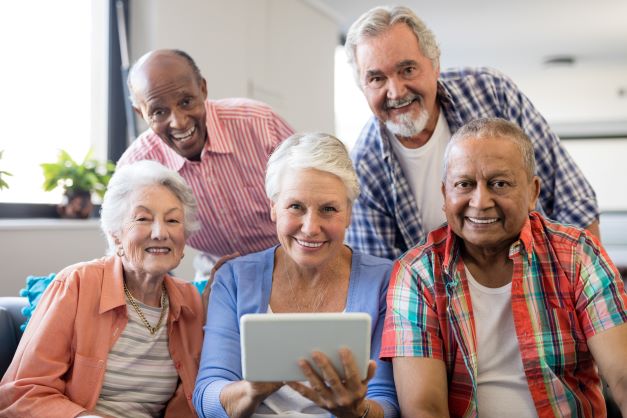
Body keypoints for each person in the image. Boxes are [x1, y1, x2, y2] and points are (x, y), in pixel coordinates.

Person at [380, 118, 627, 417]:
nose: (480, 201)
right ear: (445, 194)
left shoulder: (577, 254)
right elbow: (424, 408)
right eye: (464, 184)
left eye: (499, 184)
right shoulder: (416, 273)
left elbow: (622, 376)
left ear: (533, 192)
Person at [344, 6, 600, 260]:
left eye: (408, 70)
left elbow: (572, 200)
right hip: (443, 298)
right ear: (362, 87)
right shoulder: (364, 167)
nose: (396, 92)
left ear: (435, 66)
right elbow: (385, 277)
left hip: (542, 278)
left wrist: (586, 289)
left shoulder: (491, 92)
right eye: (377, 78)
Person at [193, 133, 399, 418]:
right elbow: (206, 396)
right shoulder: (235, 279)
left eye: (328, 209)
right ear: (273, 208)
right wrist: (252, 390)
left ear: (350, 212)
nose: (311, 227)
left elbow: (387, 401)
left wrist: (357, 410)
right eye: (296, 207)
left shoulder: (384, 281)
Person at [0, 160, 204, 418]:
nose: (160, 232)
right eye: (143, 218)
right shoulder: (76, 285)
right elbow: (20, 393)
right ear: (116, 234)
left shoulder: (193, 305)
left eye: (173, 220)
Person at [118, 49, 295, 276]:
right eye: (159, 112)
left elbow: (317, 189)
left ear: (202, 89)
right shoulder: (135, 167)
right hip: (218, 273)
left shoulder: (260, 123)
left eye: (186, 102)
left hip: (292, 261)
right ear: (141, 113)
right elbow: (128, 253)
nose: (179, 122)